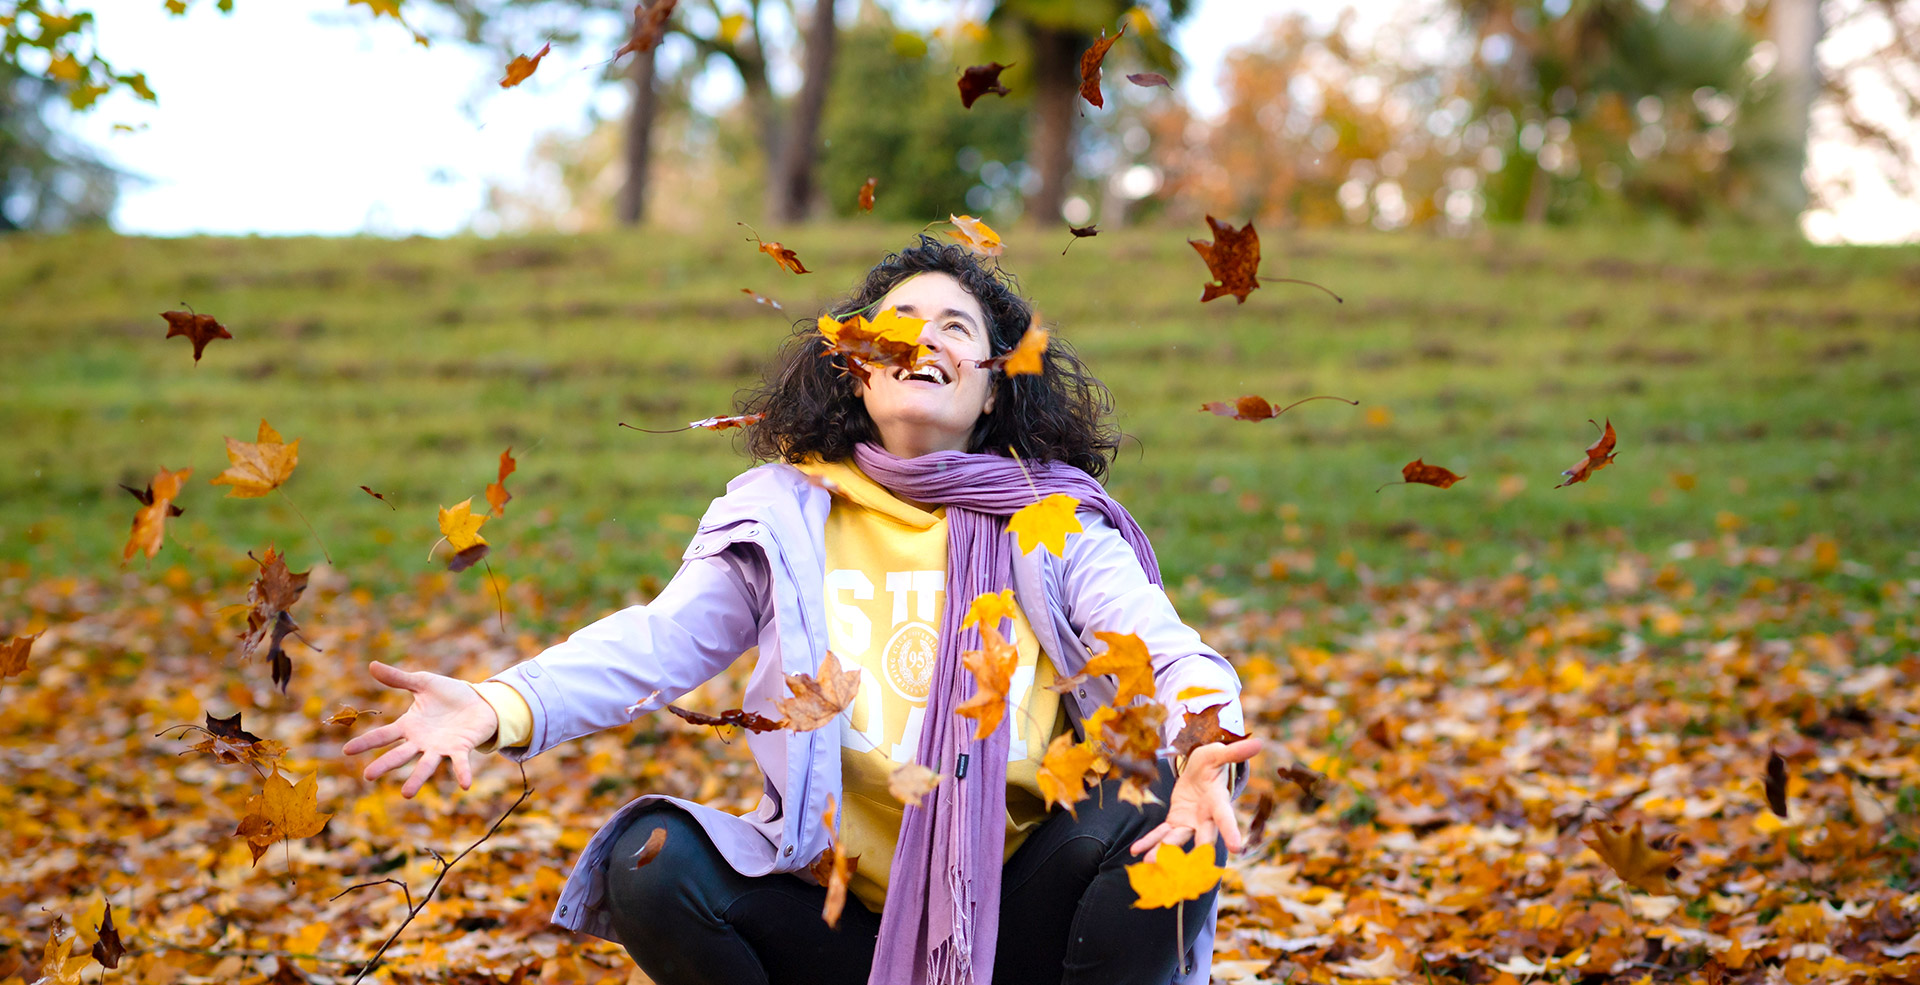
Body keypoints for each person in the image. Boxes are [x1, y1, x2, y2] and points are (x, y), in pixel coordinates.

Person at [343, 237, 1261, 985]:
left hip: (1020, 906)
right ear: (858, 367)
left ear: (992, 387)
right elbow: (661, 642)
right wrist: (498, 706)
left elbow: (1161, 644)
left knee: (1161, 834)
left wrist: (1203, 739)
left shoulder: (1049, 521)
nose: (924, 339)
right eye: (900, 322)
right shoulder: (782, 510)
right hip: (832, 913)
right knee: (652, 858)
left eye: (955, 327)